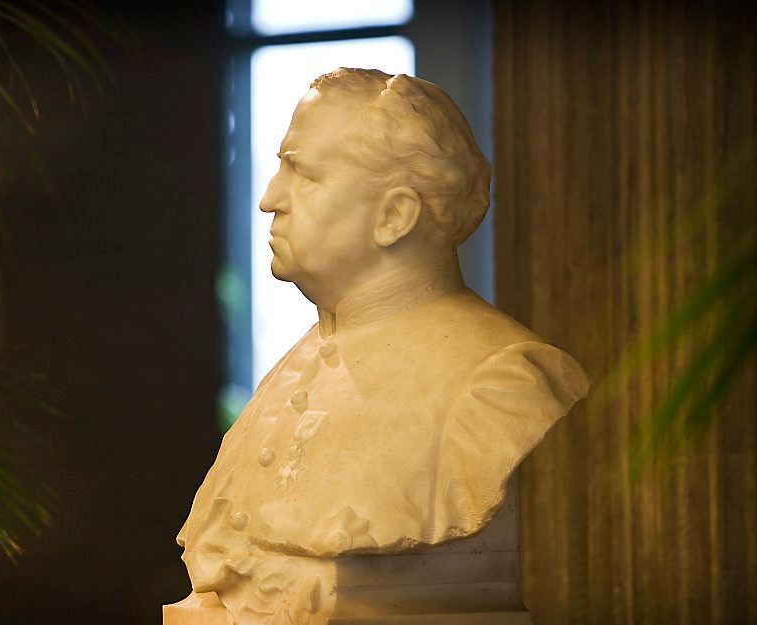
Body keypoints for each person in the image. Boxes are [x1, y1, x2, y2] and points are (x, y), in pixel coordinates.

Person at [172, 68, 589, 625]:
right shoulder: (296, 363)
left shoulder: (500, 383)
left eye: (304, 174)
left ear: (395, 215)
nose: (271, 198)